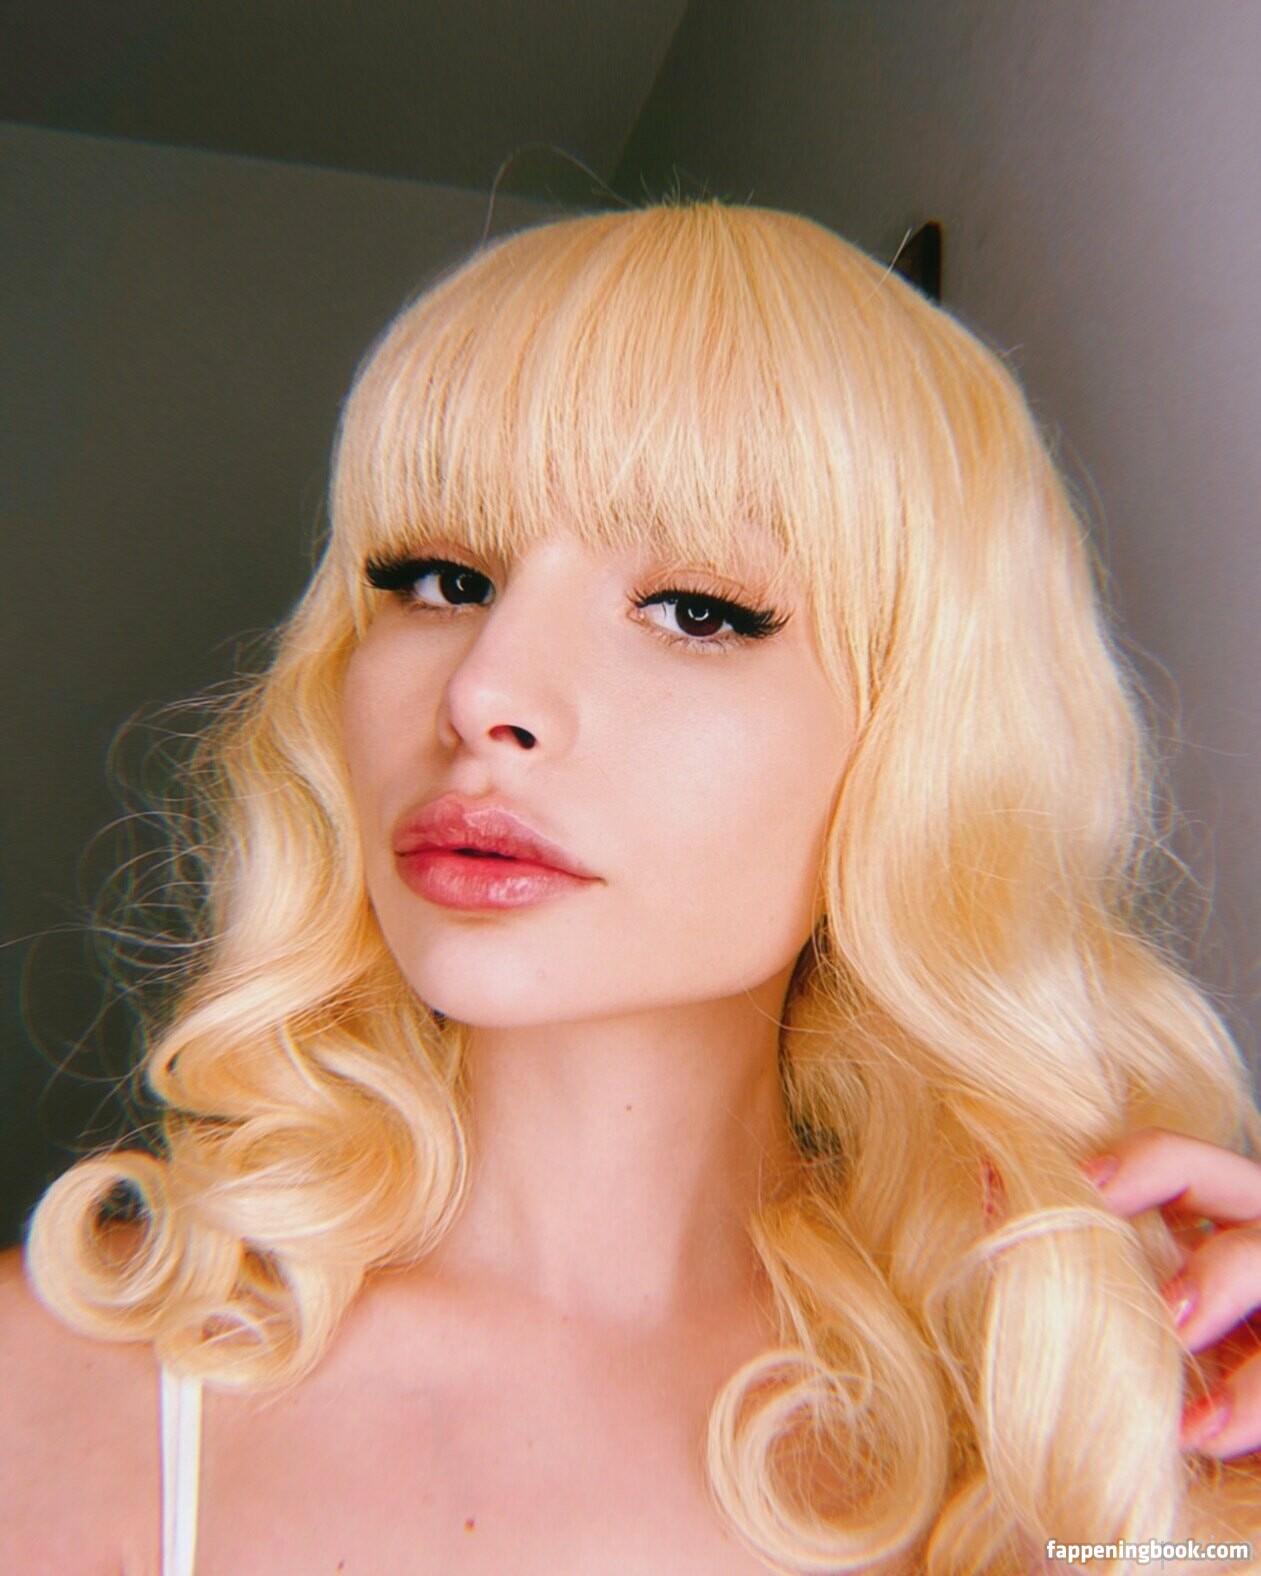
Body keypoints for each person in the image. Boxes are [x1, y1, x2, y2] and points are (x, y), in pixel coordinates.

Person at [1, 201, 1259, 1574]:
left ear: (924, 742)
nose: (484, 691)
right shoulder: (48, 1395)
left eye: (695, 610)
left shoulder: (1083, 1423)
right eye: (443, 579)